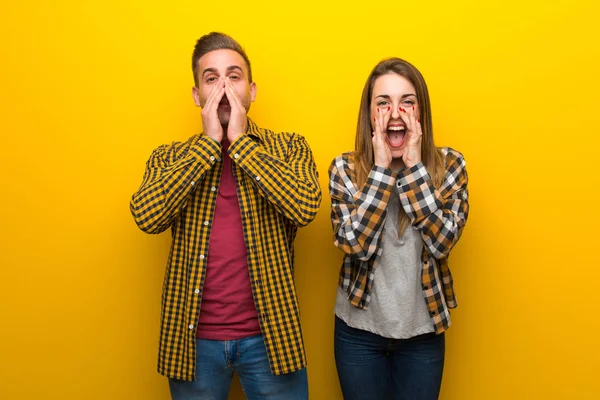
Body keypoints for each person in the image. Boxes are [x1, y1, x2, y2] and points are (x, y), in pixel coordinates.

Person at [130, 32, 321, 400]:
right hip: (193, 343)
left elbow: (305, 206)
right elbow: (146, 215)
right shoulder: (169, 157)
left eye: (233, 77)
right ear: (196, 94)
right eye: (211, 78)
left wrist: (240, 143)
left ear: (252, 90)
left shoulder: (289, 147)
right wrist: (208, 146)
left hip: (271, 338)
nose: (223, 88)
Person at [328, 57, 469, 400]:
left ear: (421, 113)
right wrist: (380, 170)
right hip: (358, 332)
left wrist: (414, 169)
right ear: (370, 115)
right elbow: (355, 246)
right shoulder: (345, 169)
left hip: (423, 333)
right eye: (383, 103)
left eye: (407, 101)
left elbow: (443, 242)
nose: (395, 113)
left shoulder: (451, 166)